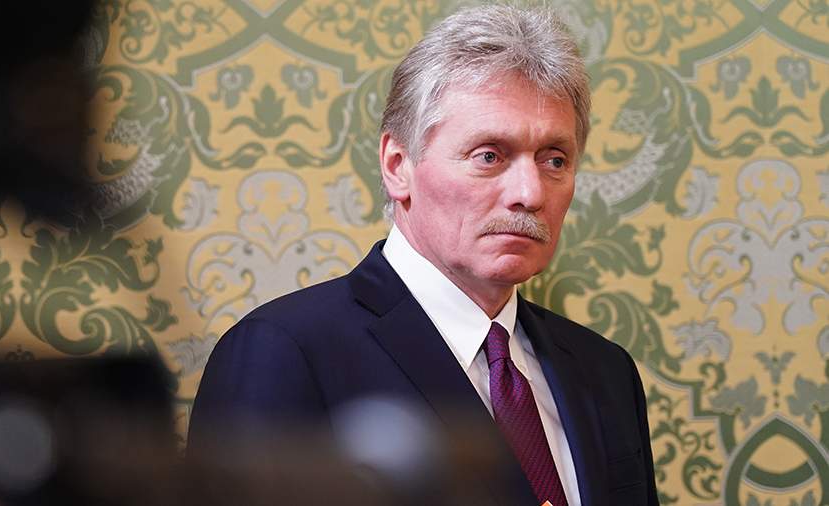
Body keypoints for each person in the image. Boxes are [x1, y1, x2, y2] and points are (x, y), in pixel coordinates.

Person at [188, 4, 658, 505]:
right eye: (489, 156)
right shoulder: (283, 352)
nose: (530, 192)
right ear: (398, 166)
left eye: (555, 160)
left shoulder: (604, 370)